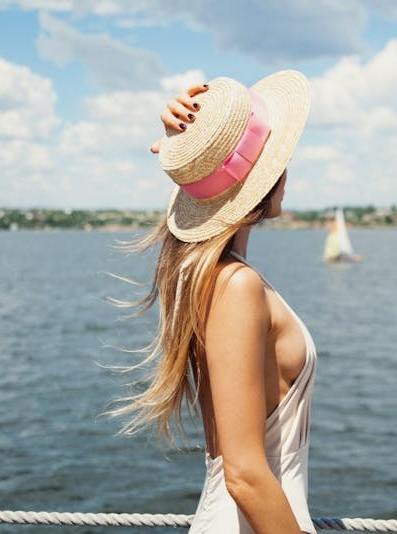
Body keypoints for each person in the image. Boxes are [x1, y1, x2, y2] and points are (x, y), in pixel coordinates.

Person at [109, 71, 316, 533]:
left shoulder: (217, 278)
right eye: (279, 156)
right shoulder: (236, 286)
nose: (287, 170)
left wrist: (186, 147)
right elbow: (242, 474)